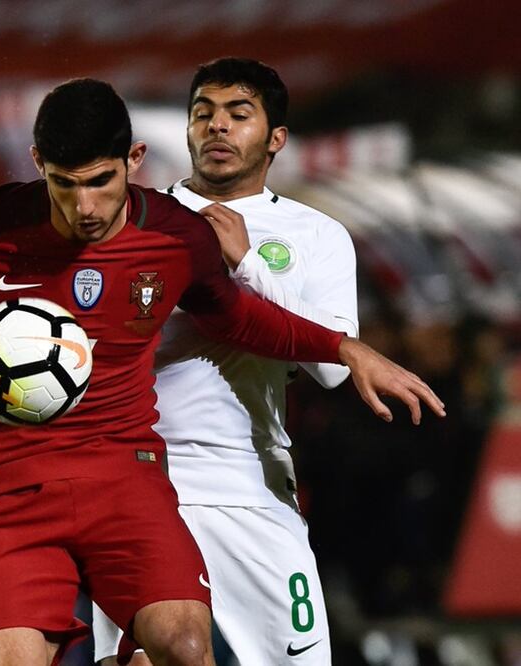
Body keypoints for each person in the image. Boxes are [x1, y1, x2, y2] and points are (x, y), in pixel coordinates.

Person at [0, 79, 443, 666]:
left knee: (187, 645)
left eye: (100, 181)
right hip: (8, 493)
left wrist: (344, 349)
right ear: (37, 162)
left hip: (125, 479)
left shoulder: (174, 235)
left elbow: (238, 319)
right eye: (65, 184)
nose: (86, 206)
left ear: (133, 159)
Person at [91, 57, 364, 665]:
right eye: (203, 113)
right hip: (140, 480)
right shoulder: (130, 221)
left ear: (275, 139)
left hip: (252, 485)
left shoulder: (316, 235)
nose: (217, 127)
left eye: (238, 114)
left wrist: (248, 265)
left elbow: (332, 367)